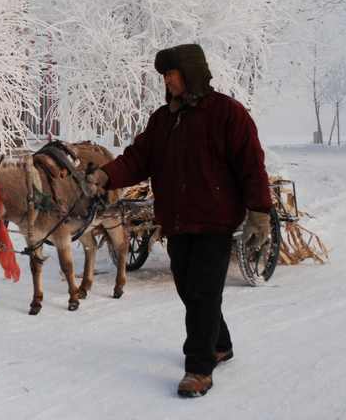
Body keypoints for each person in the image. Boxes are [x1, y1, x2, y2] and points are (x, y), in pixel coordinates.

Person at [89, 43, 273, 398]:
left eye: (171, 73)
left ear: (190, 72)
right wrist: (105, 176)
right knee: (189, 288)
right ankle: (220, 343)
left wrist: (260, 212)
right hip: (177, 219)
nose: (167, 80)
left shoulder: (227, 114)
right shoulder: (163, 119)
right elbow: (138, 158)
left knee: (203, 292)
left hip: (215, 220)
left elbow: (252, 165)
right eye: (164, 75)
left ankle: (199, 367)